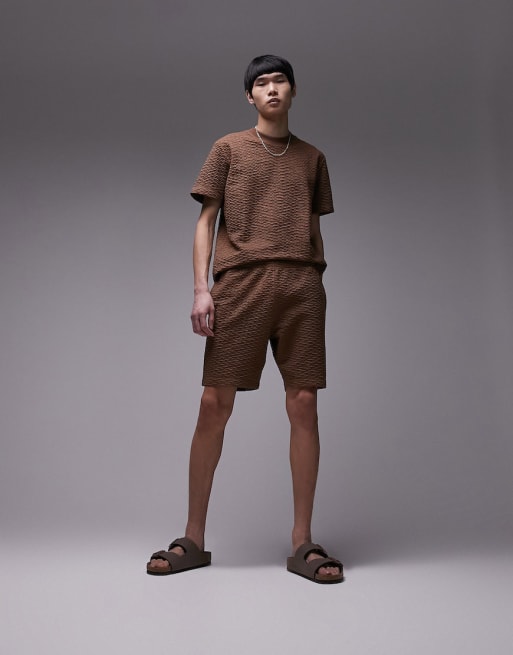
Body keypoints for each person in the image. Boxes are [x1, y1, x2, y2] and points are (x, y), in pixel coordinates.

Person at [146, 55, 343, 584]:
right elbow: (205, 221)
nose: (271, 88)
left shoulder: (313, 158)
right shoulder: (228, 149)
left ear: (293, 91)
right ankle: (192, 538)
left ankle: (303, 543)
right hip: (240, 285)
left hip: (301, 288)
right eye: (262, 83)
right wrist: (201, 290)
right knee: (214, 403)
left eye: (280, 81)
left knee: (304, 404)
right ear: (249, 96)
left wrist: (315, 278)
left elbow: (314, 227)